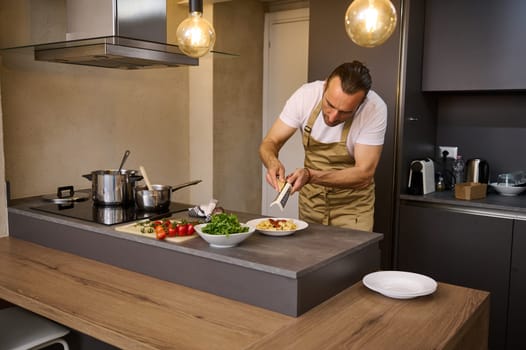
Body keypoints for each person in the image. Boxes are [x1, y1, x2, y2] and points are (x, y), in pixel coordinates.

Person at [259, 61, 387, 232]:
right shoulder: (305, 96)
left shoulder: (374, 108)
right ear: (325, 86)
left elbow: (363, 174)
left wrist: (310, 175)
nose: (333, 117)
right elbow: (270, 142)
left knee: (352, 259)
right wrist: (272, 161)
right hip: (311, 205)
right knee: (310, 257)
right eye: (330, 105)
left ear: (361, 102)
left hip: (353, 209)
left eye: (345, 112)